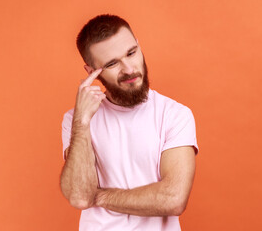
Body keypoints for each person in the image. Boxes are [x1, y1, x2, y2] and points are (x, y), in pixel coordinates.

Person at [60, 14, 198, 231]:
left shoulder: (175, 115)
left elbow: (173, 199)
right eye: (112, 63)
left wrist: (101, 196)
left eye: (131, 53)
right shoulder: (76, 121)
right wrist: (82, 121)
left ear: (139, 46)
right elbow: (79, 197)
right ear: (90, 72)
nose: (129, 69)